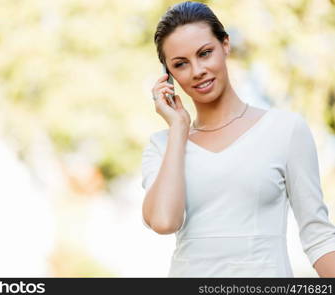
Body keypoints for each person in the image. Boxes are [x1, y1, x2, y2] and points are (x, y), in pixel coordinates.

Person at [141, 1, 335, 277]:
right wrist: (178, 129)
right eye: (181, 64)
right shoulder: (162, 145)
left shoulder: (284, 130)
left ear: (225, 45)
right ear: (168, 76)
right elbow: (164, 221)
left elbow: (319, 238)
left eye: (205, 53)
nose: (197, 71)